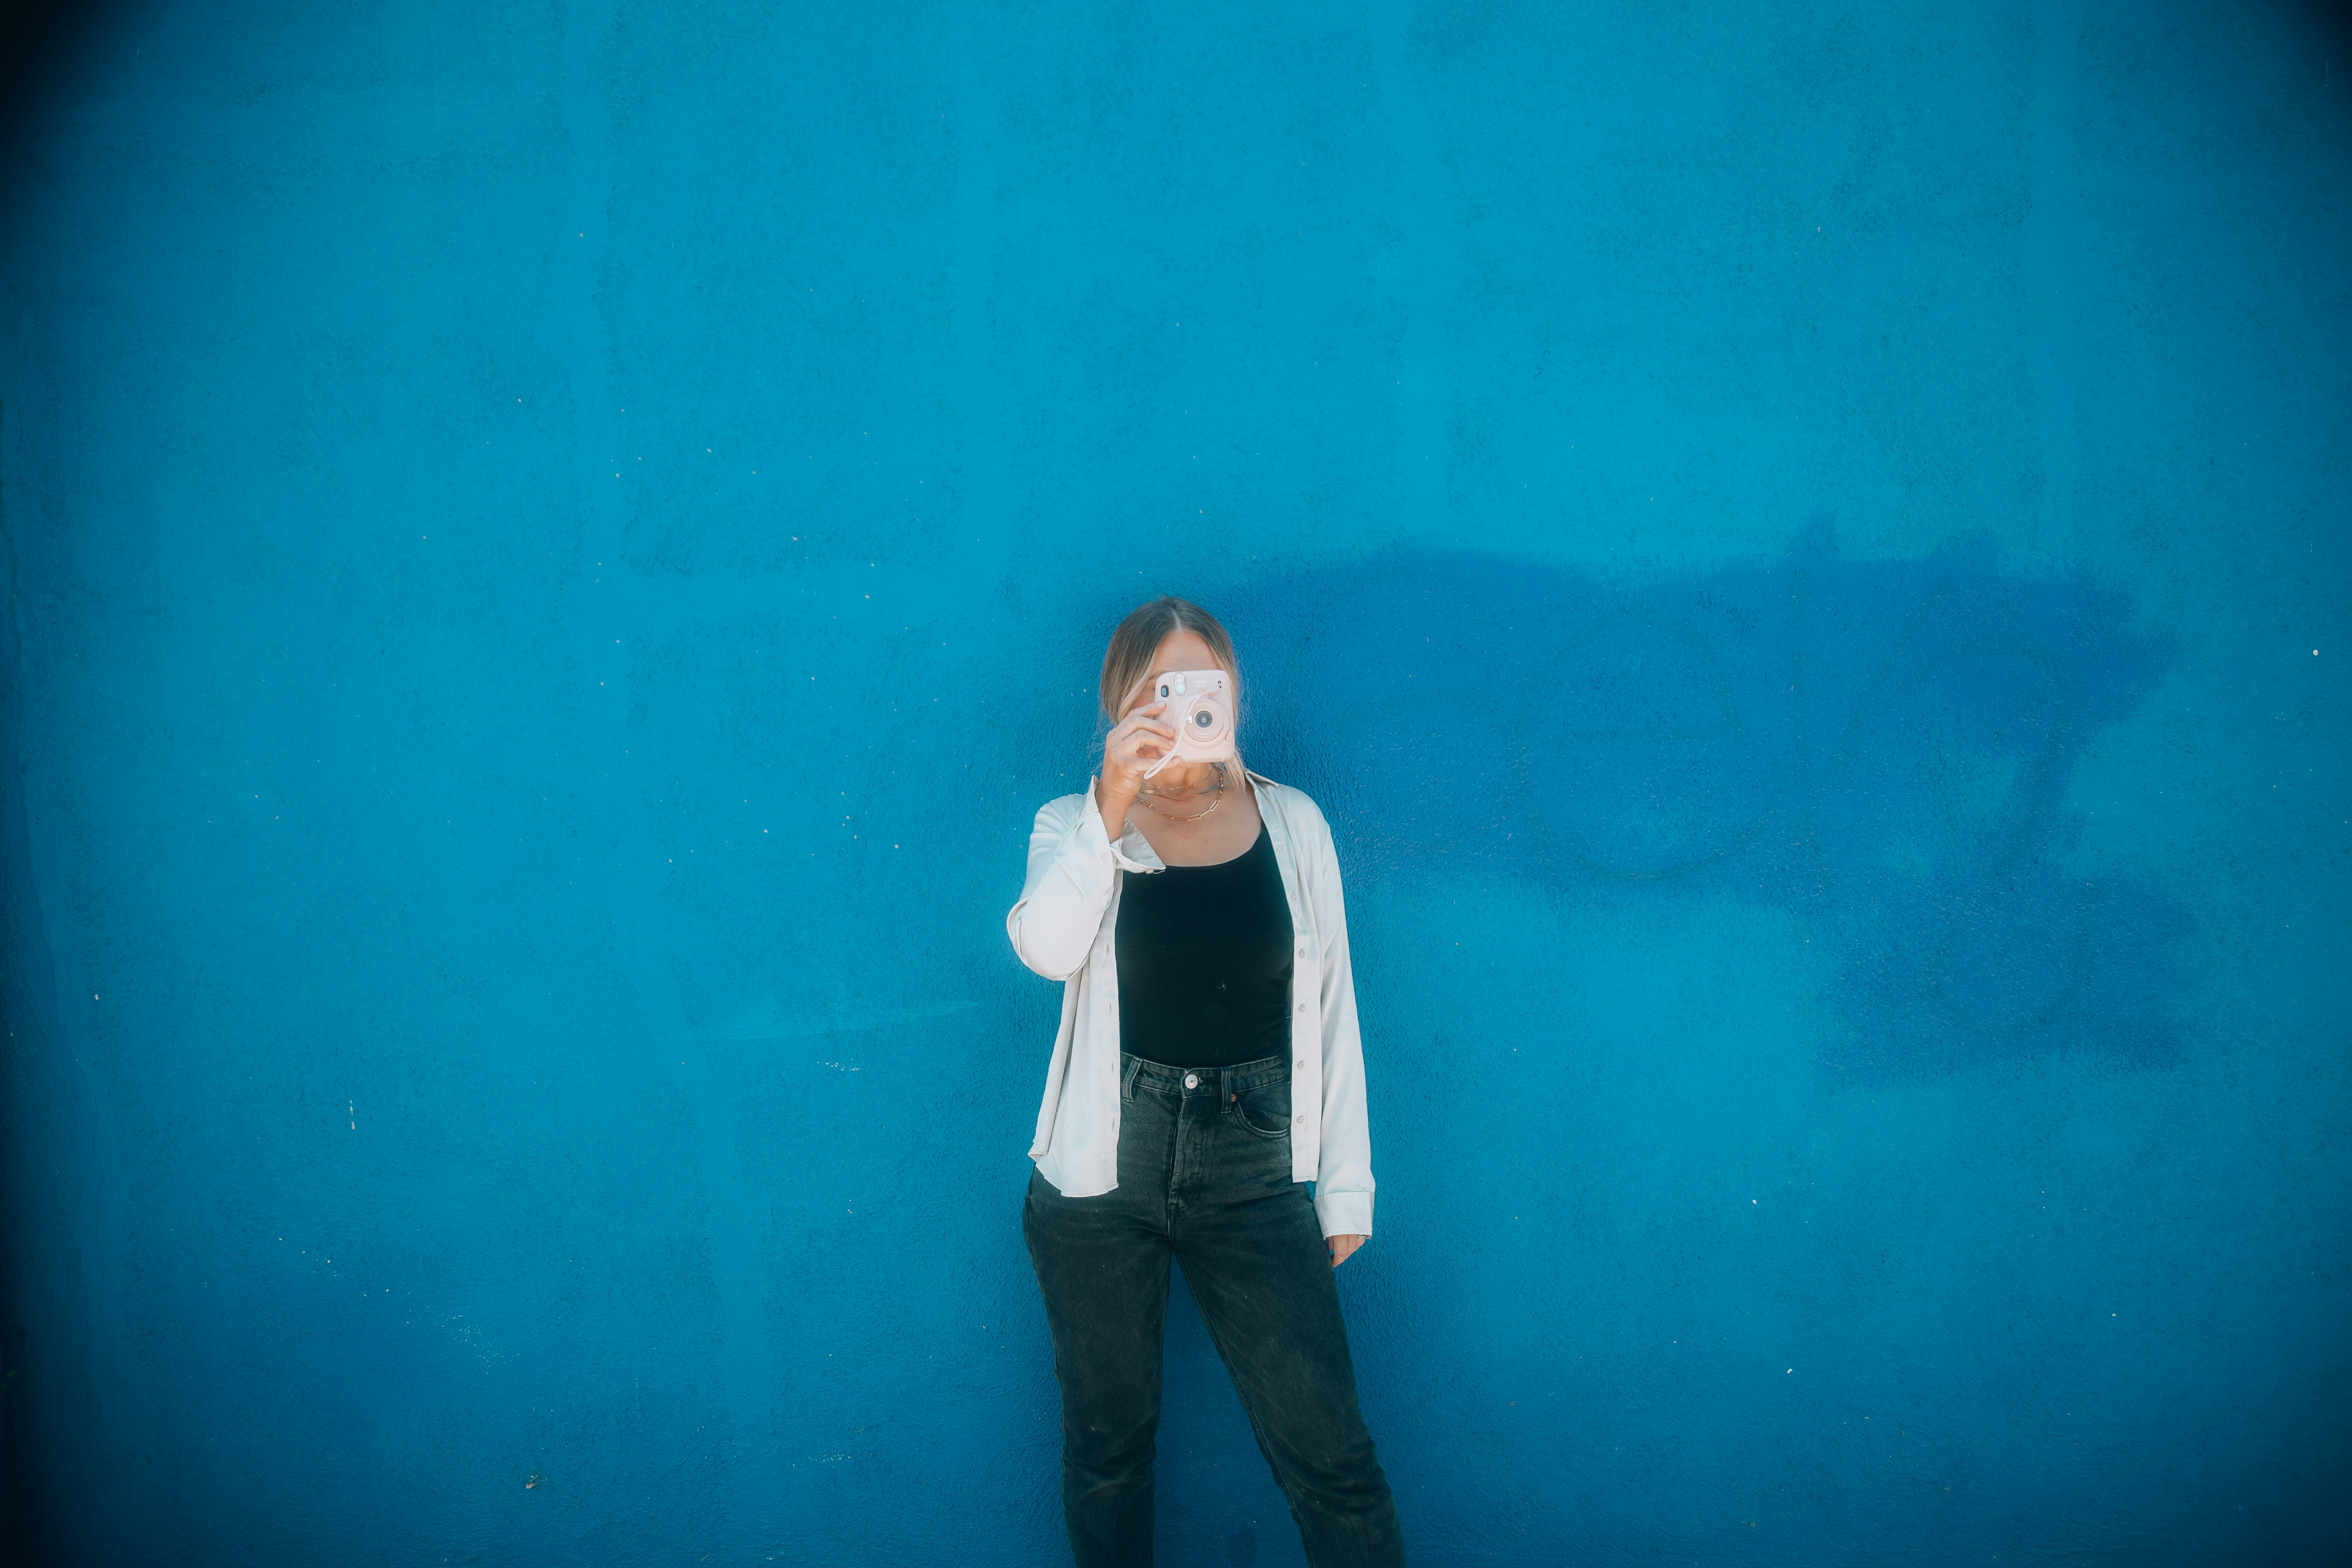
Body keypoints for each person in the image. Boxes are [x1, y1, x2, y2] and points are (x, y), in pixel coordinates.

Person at [1006, 595, 1407, 1568]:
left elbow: (1335, 1009)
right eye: (1154, 689)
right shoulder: (1072, 824)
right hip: (1101, 1174)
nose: (1177, 705)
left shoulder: (1293, 822)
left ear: (1230, 691)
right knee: (1107, 1456)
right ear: (1119, 703)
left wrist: (1345, 1188)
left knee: (1332, 1456)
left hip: (1256, 1165)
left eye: (1198, 684)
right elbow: (1045, 951)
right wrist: (1109, 804)